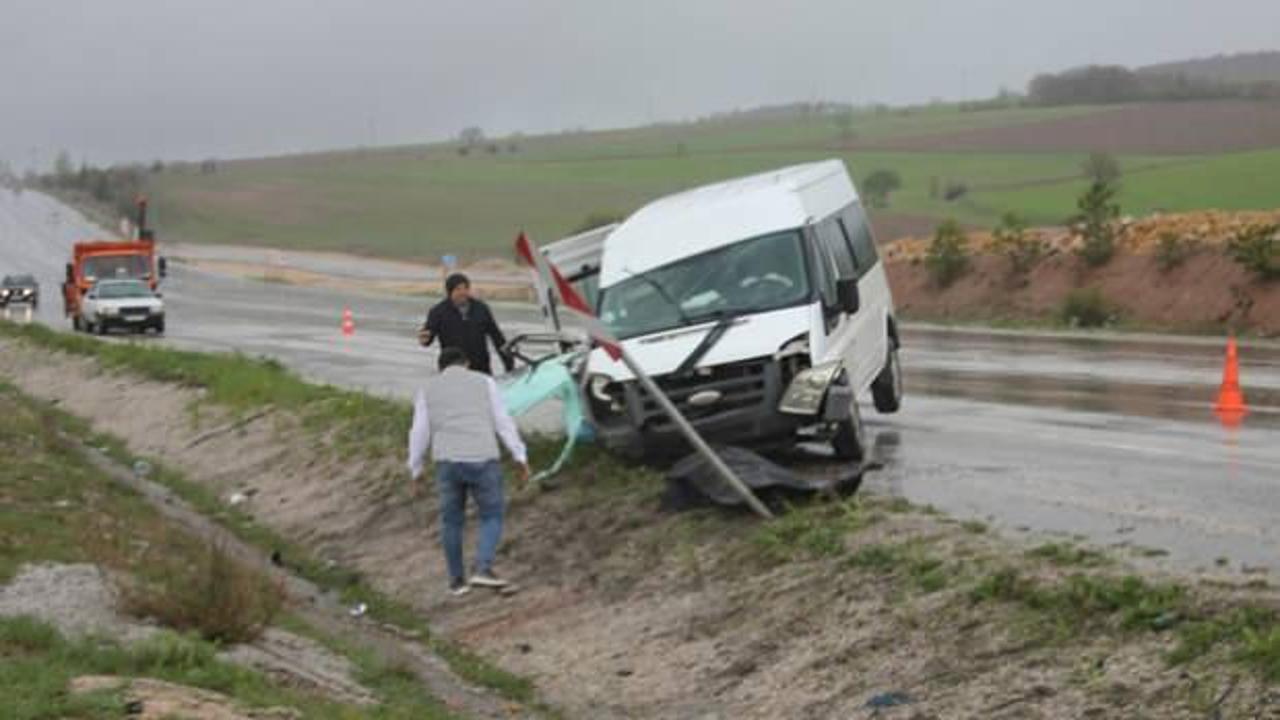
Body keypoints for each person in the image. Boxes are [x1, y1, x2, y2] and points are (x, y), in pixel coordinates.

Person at [407, 347, 529, 595]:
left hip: (447, 461)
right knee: (491, 515)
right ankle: (482, 568)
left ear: (440, 368)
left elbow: (419, 431)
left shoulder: (427, 389)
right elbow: (502, 421)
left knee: (451, 521)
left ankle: (457, 582)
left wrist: (416, 469)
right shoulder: (484, 382)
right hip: (482, 456)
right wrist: (519, 456)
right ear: (467, 363)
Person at [418, 273, 513, 375]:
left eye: (466, 288)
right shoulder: (438, 312)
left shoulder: (481, 309)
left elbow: (497, 338)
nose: (463, 292)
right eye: (458, 289)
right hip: (453, 369)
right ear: (449, 291)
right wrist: (425, 340)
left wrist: (509, 364)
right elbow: (428, 336)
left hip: (481, 368)